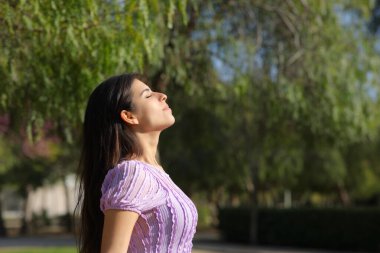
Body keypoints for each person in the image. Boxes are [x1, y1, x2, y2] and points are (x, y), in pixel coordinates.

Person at [77, 73, 198, 253]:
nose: (162, 95)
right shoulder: (132, 174)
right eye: (148, 95)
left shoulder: (156, 173)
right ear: (129, 116)